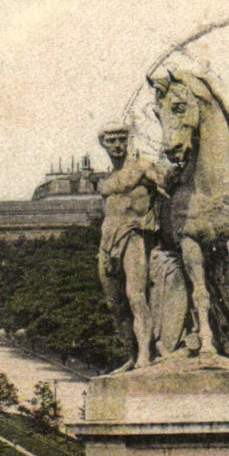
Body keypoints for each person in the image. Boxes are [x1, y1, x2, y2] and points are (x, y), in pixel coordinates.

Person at [97, 122, 169, 371]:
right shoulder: (107, 179)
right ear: (103, 144)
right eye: (111, 140)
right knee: (115, 304)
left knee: (136, 297)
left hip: (135, 237)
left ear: (129, 140)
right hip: (108, 241)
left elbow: (167, 184)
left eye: (121, 139)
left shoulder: (143, 167)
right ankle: (132, 354)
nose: (117, 145)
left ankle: (145, 357)